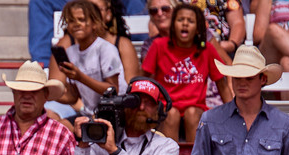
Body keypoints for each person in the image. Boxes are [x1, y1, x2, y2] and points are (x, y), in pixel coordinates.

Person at [142, 3, 233, 142]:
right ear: (173, 25)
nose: (185, 24)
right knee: (171, 114)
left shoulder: (206, 49)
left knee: (192, 113)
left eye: (190, 21)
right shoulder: (158, 46)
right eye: (180, 20)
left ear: (198, 29)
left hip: (196, 110)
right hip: (166, 109)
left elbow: (222, 85)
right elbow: (141, 80)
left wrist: (234, 114)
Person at [50, 1, 127, 116]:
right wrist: (47, 94)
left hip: (115, 112)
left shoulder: (106, 49)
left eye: (81, 20)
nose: (76, 24)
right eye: (71, 21)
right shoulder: (71, 52)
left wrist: (80, 77)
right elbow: (73, 97)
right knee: (60, 124)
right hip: (89, 114)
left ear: (94, 23)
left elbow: (112, 90)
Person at [57, 0, 141, 82]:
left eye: (95, 9)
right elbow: (58, 85)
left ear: (108, 14)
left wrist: (80, 77)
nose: (88, 13)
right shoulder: (68, 47)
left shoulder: (113, 47)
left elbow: (118, 88)